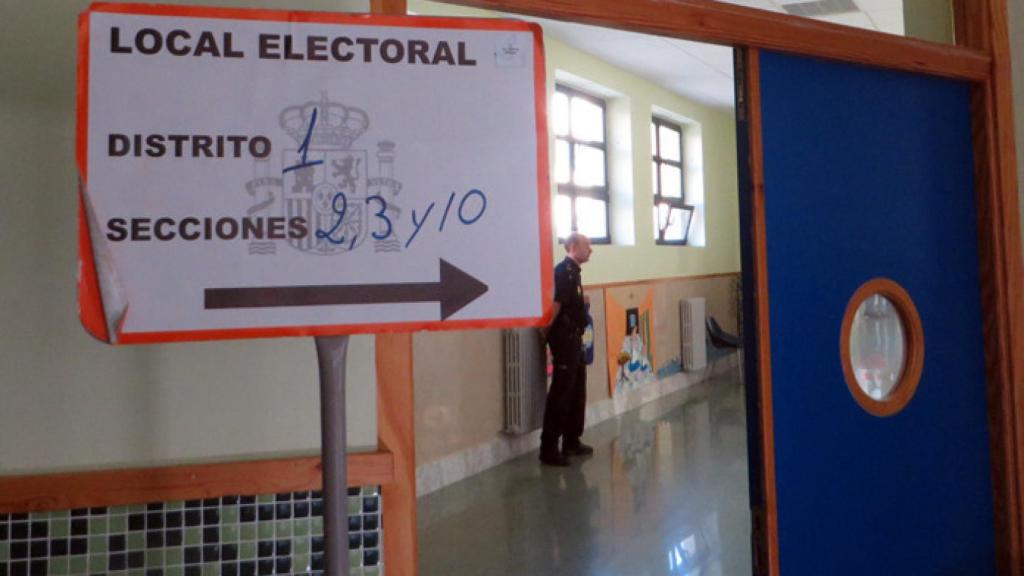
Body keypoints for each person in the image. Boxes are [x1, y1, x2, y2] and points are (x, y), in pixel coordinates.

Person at [539, 232, 594, 467]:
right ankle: (549, 448)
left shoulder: (574, 273)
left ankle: (572, 440)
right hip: (564, 338)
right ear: (572, 246)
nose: (591, 250)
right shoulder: (564, 272)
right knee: (561, 393)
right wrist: (544, 332)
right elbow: (556, 304)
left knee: (577, 390)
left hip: (575, 338)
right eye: (586, 245)